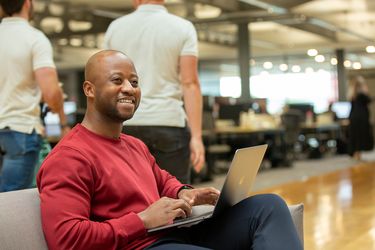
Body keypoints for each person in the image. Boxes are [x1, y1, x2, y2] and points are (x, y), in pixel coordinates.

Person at [37, 50, 302, 250]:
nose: (129, 89)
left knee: (268, 205)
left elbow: (162, 181)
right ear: (89, 89)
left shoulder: (134, 145)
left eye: (134, 81)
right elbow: (65, 239)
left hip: (177, 233)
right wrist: (141, 220)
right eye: (117, 80)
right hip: (142, 246)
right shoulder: (70, 156)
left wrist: (187, 193)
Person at [103, 0, 204, 183]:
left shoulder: (116, 28)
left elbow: (106, 81)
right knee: (176, 200)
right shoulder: (183, 27)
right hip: (168, 122)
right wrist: (197, 137)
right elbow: (190, 83)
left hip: (125, 124)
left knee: (130, 197)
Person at [0, 0, 69, 192]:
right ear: (27, 4)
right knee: (12, 200)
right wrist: (62, 125)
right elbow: (51, 92)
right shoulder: (34, 38)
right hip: (20, 129)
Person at [348, 75, 373, 161]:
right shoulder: (362, 94)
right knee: (360, 136)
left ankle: (357, 154)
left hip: (354, 117)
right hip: (361, 117)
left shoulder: (352, 94)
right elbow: (369, 100)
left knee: (356, 136)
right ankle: (358, 154)